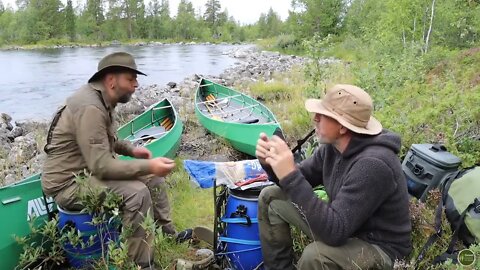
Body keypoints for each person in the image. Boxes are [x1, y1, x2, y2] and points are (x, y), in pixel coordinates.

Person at [41, 52, 190, 269]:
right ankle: (140, 264)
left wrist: (132, 150)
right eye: (131, 79)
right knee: (136, 194)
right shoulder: (90, 107)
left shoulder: (102, 100)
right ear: (111, 80)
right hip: (69, 185)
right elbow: (101, 165)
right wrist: (150, 164)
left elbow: (106, 140)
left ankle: (167, 233)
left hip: (87, 174)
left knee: (152, 178)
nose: (136, 84)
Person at [255, 84, 412, 270]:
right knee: (271, 196)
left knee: (316, 257)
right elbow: (300, 179)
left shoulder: (374, 164)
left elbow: (334, 232)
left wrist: (290, 174)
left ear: (343, 127)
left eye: (323, 116)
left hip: (380, 248)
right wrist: (272, 163)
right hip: (346, 226)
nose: (315, 118)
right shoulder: (333, 148)